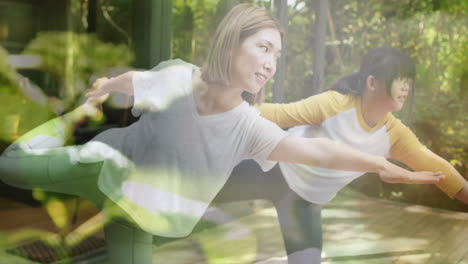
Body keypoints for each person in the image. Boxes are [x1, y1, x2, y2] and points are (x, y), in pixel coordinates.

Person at [0, 5, 443, 264]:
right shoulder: (178, 77)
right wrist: (98, 94)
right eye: (263, 48)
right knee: (10, 164)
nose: (271, 63)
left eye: (277, 55)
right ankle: (62, 128)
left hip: (138, 213)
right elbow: (135, 80)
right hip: (100, 167)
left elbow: (319, 150)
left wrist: (382, 164)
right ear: (232, 43)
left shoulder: (249, 128)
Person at [215, 46, 468, 264]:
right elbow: (279, 113)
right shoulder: (335, 105)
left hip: (305, 202)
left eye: (409, 82)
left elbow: (438, 168)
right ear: (372, 83)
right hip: (269, 169)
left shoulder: (395, 134)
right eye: (400, 79)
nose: (406, 88)